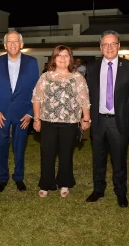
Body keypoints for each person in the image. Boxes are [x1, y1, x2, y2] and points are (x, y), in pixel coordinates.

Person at [85, 30, 129, 208]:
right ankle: (98, 190)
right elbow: (87, 97)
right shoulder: (92, 68)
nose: (109, 47)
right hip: (98, 121)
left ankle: (121, 192)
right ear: (101, 47)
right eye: (105, 44)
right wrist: (86, 118)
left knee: (119, 159)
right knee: (98, 158)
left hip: (119, 122)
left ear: (118, 46)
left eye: (113, 44)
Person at [31, 45, 90, 198]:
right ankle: (46, 184)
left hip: (70, 122)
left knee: (66, 154)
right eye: (59, 55)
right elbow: (37, 98)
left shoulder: (77, 77)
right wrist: (36, 119)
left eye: (66, 55)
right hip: (47, 121)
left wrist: (86, 119)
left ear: (70, 58)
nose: (62, 59)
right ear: (54, 58)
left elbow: (84, 99)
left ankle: (65, 183)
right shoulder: (45, 77)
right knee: (47, 153)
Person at [0, 30, 39, 193]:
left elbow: (36, 91)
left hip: (23, 113)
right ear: (4, 45)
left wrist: (31, 112)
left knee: (19, 146)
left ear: (22, 44)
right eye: (9, 41)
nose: (12, 44)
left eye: (16, 41)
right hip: (1, 113)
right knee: (1, 146)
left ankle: (18, 178)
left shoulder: (32, 63)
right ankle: (2, 178)